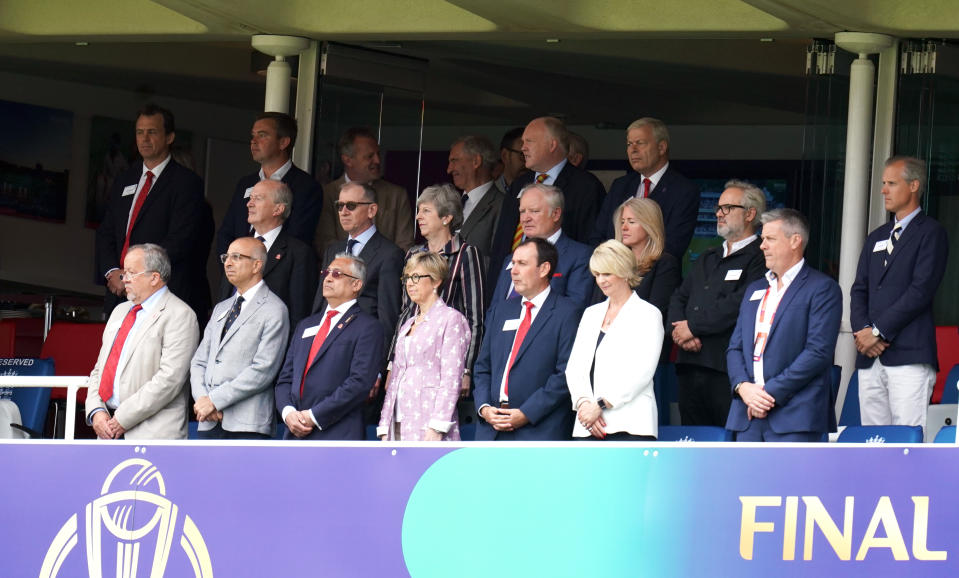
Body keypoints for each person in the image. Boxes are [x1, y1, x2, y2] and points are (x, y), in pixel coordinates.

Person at [726, 209, 842, 442]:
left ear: (795, 241)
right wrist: (743, 387)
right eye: (762, 239)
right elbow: (735, 348)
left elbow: (818, 352)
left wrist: (768, 393)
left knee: (788, 480)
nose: (762, 246)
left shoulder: (822, 289)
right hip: (747, 415)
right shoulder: (755, 289)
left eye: (770, 239)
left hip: (794, 416)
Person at [850, 156, 949, 427]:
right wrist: (862, 332)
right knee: (873, 442)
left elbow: (921, 290)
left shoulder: (931, 232)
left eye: (891, 183)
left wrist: (878, 332)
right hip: (870, 357)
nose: (883, 190)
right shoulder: (877, 236)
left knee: (907, 441)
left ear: (914, 185)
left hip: (909, 356)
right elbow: (859, 289)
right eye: (883, 183)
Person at [95, 103, 213, 324]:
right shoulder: (124, 179)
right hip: (119, 292)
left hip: (159, 294)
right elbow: (106, 232)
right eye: (140, 132)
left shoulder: (187, 183)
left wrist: (134, 275)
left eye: (152, 132)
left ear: (169, 137)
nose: (144, 139)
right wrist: (113, 272)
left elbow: (180, 240)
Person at [668, 180, 767, 426]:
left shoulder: (761, 256)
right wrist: (680, 331)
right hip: (689, 364)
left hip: (726, 369)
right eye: (718, 208)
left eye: (727, 208)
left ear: (750, 214)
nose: (719, 214)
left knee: (726, 444)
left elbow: (740, 303)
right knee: (692, 442)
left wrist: (693, 327)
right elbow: (679, 296)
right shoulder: (707, 256)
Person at [85, 244, 200, 440]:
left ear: (154, 278)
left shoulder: (180, 315)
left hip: (152, 433)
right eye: (124, 272)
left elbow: (169, 379)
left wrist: (122, 418)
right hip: (107, 429)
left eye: (131, 272)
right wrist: (96, 410)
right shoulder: (120, 311)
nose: (124, 278)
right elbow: (100, 369)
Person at [473, 238, 582, 440]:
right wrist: (485, 408)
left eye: (522, 264)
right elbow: (483, 367)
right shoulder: (500, 311)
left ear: (544, 269)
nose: (513, 271)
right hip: (492, 429)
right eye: (513, 263)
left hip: (538, 430)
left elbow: (565, 374)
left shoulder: (567, 313)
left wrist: (527, 413)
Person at [275, 254, 384, 440]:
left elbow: (359, 383)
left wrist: (313, 416)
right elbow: (285, 378)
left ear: (356, 285)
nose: (328, 277)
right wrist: (288, 413)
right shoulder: (306, 325)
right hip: (295, 431)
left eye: (337, 274)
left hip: (338, 432)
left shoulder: (368, 327)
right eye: (326, 272)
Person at [191, 237, 289, 439]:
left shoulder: (274, 309)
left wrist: (215, 401)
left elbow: (263, 370)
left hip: (247, 424)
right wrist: (203, 400)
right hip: (208, 420)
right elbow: (199, 361)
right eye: (226, 257)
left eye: (236, 257)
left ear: (256, 265)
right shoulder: (222, 307)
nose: (227, 262)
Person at [391, 184, 484, 398]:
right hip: (411, 356)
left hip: (446, 356)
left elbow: (475, 318)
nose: (418, 217)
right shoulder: (413, 254)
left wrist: (467, 369)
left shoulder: (466, 253)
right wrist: (392, 363)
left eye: (426, 211)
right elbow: (406, 312)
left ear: (447, 217)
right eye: (418, 211)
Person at [567, 241, 662, 440]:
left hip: (631, 424)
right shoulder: (591, 314)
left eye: (607, 273)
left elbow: (642, 372)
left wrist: (600, 405)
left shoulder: (648, 314)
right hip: (588, 425)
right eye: (597, 274)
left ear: (625, 271)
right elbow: (575, 367)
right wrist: (584, 405)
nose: (601, 280)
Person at [488, 117, 606, 276]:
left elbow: (589, 244)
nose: (523, 148)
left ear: (552, 145)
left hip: (555, 282)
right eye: (523, 142)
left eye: (529, 141)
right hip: (510, 280)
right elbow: (502, 242)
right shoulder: (519, 184)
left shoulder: (586, 186)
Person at [313, 181, 404, 373]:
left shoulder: (390, 253)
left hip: (360, 352)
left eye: (351, 206)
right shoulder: (333, 250)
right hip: (323, 348)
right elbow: (320, 304)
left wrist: (378, 368)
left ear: (372, 210)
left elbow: (388, 317)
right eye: (340, 206)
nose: (343, 211)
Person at [377, 252, 470, 441]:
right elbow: (395, 377)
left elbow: (451, 377)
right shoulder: (407, 324)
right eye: (407, 278)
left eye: (416, 277)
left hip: (429, 419)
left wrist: (438, 425)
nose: (409, 283)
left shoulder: (451, 319)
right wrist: (384, 425)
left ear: (436, 281)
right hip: (398, 418)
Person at [588, 118, 699, 260]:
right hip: (613, 275)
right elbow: (597, 236)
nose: (633, 149)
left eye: (640, 143)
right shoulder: (620, 186)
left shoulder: (684, 190)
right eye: (629, 144)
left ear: (661, 147)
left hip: (656, 279)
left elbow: (674, 246)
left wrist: (629, 266)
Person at [216, 111, 323, 255]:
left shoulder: (306, 187)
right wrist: (231, 267)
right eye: (253, 135)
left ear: (283, 142)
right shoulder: (245, 183)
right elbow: (226, 233)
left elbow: (297, 238)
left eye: (262, 135)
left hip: (277, 274)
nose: (253, 141)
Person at [222, 179, 317, 330]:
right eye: (250, 198)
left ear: (278, 209)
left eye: (258, 198)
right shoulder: (238, 245)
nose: (249, 204)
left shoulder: (298, 253)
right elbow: (226, 298)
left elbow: (299, 314)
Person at [490, 183, 593, 308]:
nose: (525, 219)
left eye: (534, 211)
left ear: (555, 214)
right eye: (522, 211)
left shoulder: (580, 256)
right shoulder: (510, 259)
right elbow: (494, 309)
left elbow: (574, 309)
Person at [314, 126, 415, 253]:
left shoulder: (396, 195)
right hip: (341, 269)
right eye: (369, 156)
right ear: (347, 160)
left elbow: (405, 245)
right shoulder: (328, 194)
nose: (378, 160)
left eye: (378, 154)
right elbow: (324, 243)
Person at [610, 197, 681, 336]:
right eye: (622, 222)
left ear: (650, 225)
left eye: (631, 222)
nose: (623, 227)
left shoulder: (665, 264)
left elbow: (655, 312)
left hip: (643, 341)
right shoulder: (614, 262)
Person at [448, 135, 505, 261]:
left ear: (476, 162)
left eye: (454, 161)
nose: (449, 169)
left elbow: (498, 260)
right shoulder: (451, 204)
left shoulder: (502, 205)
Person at [494, 126, 528, 194]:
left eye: (531, 155)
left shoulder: (544, 190)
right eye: (523, 155)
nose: (528, 163)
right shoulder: (488, 194)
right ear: (505, 155)